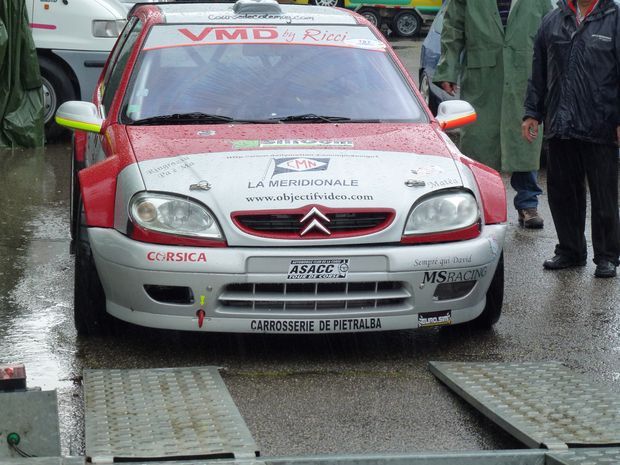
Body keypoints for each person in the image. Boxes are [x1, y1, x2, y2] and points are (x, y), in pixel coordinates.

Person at [433, 0, 552, 229]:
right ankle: (478, 203)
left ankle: (527, 204)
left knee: (525, 140)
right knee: (480, 141)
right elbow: (453, 28)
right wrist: (448, 69)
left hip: (523, 75)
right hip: (483, 78)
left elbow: (552, 30)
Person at [522, 0, 620, 278]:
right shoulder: (553, 20)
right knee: (562, 193)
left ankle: (607, 256)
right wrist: (532, 113)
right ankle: (570, 250)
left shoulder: (614, 19)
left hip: (600, 122)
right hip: (561, 123)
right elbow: (538, 71)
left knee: (604, 195)